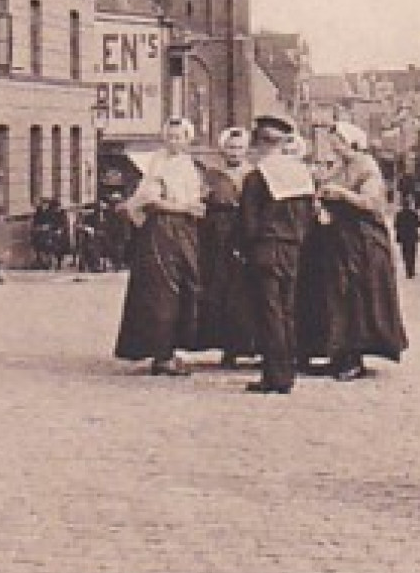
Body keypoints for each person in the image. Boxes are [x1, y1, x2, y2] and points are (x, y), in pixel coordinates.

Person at [312, 122, 408, 381]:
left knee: (357, 296)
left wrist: (341, 194)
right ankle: (339, 353)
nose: (335, 147)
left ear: (352, 142)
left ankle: (354, 356)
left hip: (362, 240)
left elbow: (372, 203)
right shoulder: (338, 167)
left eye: (339, 142)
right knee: (337, 295)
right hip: (339, 239)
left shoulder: (366, 166)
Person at [112, 117, 206, 377]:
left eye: (180, 137)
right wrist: (184, 207)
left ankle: (170, 348)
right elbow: (151, 199)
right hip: (163, 231)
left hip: (184, 229)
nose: (174, 141)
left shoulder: (187, 163)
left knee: (183, 286)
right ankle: (161, 354)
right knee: (164, 288)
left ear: (188, 139)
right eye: (171, 136)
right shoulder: (159, 163)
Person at [238, 117, 318, 395]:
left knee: (268, 312)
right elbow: (309, 217)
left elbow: (248, 222)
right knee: (287, 310)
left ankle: (275, 375)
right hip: (292, 248)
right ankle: (287, 371)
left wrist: (245, 250)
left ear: (259, 143)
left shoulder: (256, 177)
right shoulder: (301, 175)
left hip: (265, 248)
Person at [194, 126, 256, 368]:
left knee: (246, 291)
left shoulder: (253, 174)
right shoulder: (212, 175)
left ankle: (248, 344)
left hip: (245, 230)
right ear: (223, 149)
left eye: (239, 147)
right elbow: (202, 201)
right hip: (218, 233)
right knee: (220, 289)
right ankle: (225, 345)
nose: (235, 152)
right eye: (231, 147)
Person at [394, 199, 420, 279]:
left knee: (405, 253)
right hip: (412, 236)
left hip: (403, 236)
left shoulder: (399, 214)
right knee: (412, 253)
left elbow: (396, 225)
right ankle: (412, 270)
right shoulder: (413, 213)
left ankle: (408, 270)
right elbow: (419, 224)